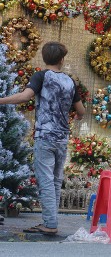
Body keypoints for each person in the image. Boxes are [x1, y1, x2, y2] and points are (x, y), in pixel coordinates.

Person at [0, 42, 85, 235]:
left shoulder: (41, 76)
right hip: (62, 138)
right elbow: (81, 111)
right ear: (62, 59)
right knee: (55, 181)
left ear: (44, 57)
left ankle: (50, 224)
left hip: (45, 136)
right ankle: (51, 221)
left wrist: (1, 101)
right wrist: (76, 117)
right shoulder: (70, 81)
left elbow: (24, 97)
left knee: (45, 180)